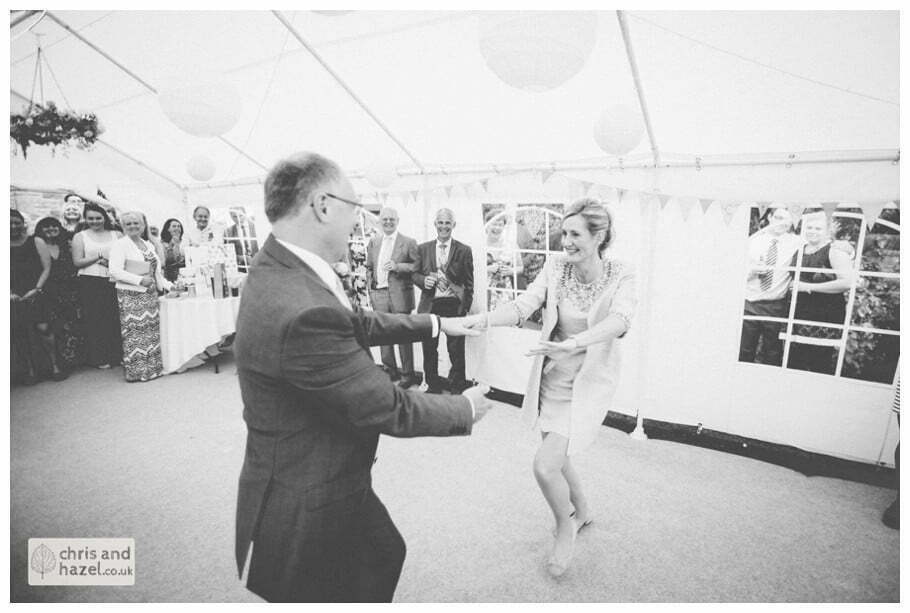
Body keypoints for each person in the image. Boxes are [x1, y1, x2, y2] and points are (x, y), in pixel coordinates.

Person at [233, 152, 491, 603]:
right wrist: (465, 408)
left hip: (314, 466)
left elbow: (357, 322)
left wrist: (435, 323)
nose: (361, 221)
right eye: (356, 207)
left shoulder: (279, 265)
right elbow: (388, 406)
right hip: (308, 488)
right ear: (323, 205)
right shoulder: (300, 303)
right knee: (350, 577)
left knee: (383, 553)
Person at [465, 198, 636, 577]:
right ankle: (585, 511)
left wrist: (575, 343)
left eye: (575, 234)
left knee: (545, 467)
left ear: (599, 236)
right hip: (551, 378)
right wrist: (484, 319)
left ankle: (565, 526)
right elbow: (526, 304)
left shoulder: (621, 273)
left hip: (587, 383)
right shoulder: (556, 267)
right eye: (565, 233)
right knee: (559, 454)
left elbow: (621, 320)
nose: (567, 241)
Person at [413, 208, 475, 394]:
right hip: (430, 305)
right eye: (440, 222)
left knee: (456, 351)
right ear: (435, 224)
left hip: (453, 306)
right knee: (429, 348)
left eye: (447, 223)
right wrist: (424, 280)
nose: (443, 226)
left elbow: (469, 283)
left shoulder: (464, 250)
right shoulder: (423, 248)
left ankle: (457, 387)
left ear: (453, 225)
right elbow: (414, 274)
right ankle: (432, 385)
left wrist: (464, 309)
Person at [108, 211, 174, 382]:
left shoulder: (147, 244)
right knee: (135, 333)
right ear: (123, 226)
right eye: (128, 224)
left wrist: (170, 286)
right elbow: (114, 270)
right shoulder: (120, 245)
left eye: (136, 223)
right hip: (131, 295)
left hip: (150, 294)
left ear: (143, 226)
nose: (133, 226)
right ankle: (137, 372)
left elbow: (156, 272)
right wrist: (139, 280)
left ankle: (152, 369)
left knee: (150, 331)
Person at [786, 212, 854, 374]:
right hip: (799, 313)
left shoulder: (834, 250)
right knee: (794, 362)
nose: (813, 231)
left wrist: (808, 287)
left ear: (828, 230)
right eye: (809, 227)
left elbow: (847, 282)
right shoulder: (801, 249)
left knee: (818, 363)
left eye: (818, 228)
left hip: (824, 314)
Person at [365, 207, 421, 389]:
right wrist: (370, 288)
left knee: (403, 335)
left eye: (391, 219)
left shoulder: (408, 242)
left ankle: (407, 375)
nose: (388, 222)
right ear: (379, 221)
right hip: (379, 294)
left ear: (398, 220)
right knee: (383, 335)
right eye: (384, 219)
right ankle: (390, 371)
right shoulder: (374, 241)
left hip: (400, 296)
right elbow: (368, 266)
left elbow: (416, 266)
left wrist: (397, 266)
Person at [739, 207, 802, 366]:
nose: (783, 223)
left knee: (773, 352)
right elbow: (734, 273)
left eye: (787, 220)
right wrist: (752, 272)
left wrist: (845, 248)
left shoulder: (796, 242)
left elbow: (820, 244)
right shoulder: (753, 241)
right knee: (744, 350)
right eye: (779, 217)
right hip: (749, 302)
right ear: (770, 218)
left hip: (775, 306)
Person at [11, 210, 66, 383]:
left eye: (16, 222)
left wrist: (36, 288)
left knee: (44, 329)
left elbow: (46, 267)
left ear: (23, 223)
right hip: (13, 295)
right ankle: (29, 370)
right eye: (9, 222)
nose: (13, 226)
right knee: (20, 333)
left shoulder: (35, 241)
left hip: (38, 290)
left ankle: (55, 365)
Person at [71, 202, 123, 369]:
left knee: (115, 317)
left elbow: (124, 258)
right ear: (86, 219)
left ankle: (118, 354)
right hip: (90, 281)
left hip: (112, 279)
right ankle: (100, 357)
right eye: (91, 218)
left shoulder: (117, 234)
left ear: (104, 217)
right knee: (96, 319)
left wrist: (108, 262)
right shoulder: (80, 236)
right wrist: (97, 257)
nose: (95, 221)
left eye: (98, 218)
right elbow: (77, 261)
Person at [34, 217, 84, 371]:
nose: (50, 229)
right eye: (46, 227)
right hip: (49, 291)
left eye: (54, 226)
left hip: (70, 290)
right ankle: (59, 362)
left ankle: (73, 360)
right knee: (54, 326)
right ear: (40, 230)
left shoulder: (66, 244)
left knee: (71, 324)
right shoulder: (36, 246)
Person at [224, 206, 260, 272]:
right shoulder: (228, 232)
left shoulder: (256, 227)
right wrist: (241, 258)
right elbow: (226, 253)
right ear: (231, 217)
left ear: (245, 213)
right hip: (241, 269)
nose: (238, 219)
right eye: (234, 216)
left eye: (240, 215)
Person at [159, 218, 187, 283]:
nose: (177, 228)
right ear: (168, 229)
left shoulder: (185, 242)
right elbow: (167, 261)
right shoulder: (162, 244)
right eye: (174, 226)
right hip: (170, 277)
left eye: (179, 226)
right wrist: (172, 245)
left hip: (185, 275)